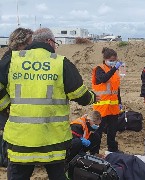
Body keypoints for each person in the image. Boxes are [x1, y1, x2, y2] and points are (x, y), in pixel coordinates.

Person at [0, 27, 97, 180]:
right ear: (50, 42)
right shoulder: (60, 62)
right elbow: (80, 95)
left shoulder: (13, 60)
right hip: (53, 141)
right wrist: (93, 97)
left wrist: (6, 105)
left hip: (21, 141)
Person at [0, 27, 33, 168]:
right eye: (30, 43)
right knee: (5, 134)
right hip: (6, 109)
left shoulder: (14, 58)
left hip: (12, 107)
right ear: (21, 44)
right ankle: (5, 161)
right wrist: (8, 106)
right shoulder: (9, 61)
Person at [92, 47, 123, 153]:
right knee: (98, 131)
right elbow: (103, 79)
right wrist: (114, 69)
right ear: (105, 59)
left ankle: (112, 150)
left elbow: (116, 88)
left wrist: (120, 102)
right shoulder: (99, 69)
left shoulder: (115, 71)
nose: (113, 62)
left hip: (113, 106)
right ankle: (94, 151)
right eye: (111, 60)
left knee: (112, 130)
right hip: (101, 107)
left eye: (115, 60)